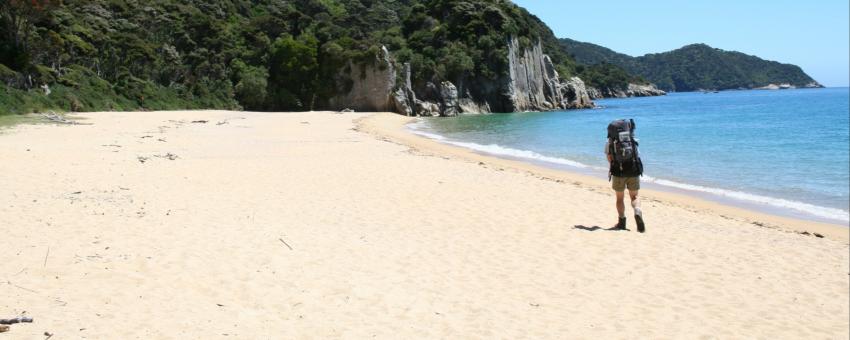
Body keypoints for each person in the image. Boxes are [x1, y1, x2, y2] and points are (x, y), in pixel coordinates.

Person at [605, 120, 645, 232]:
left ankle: (622, 222)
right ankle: (637, 210)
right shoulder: (632, 139)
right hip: (633, 170)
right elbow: (637, 154)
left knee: (620, 198)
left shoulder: (610, 142)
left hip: (618, 172)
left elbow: (609, 158)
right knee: (635, 197)